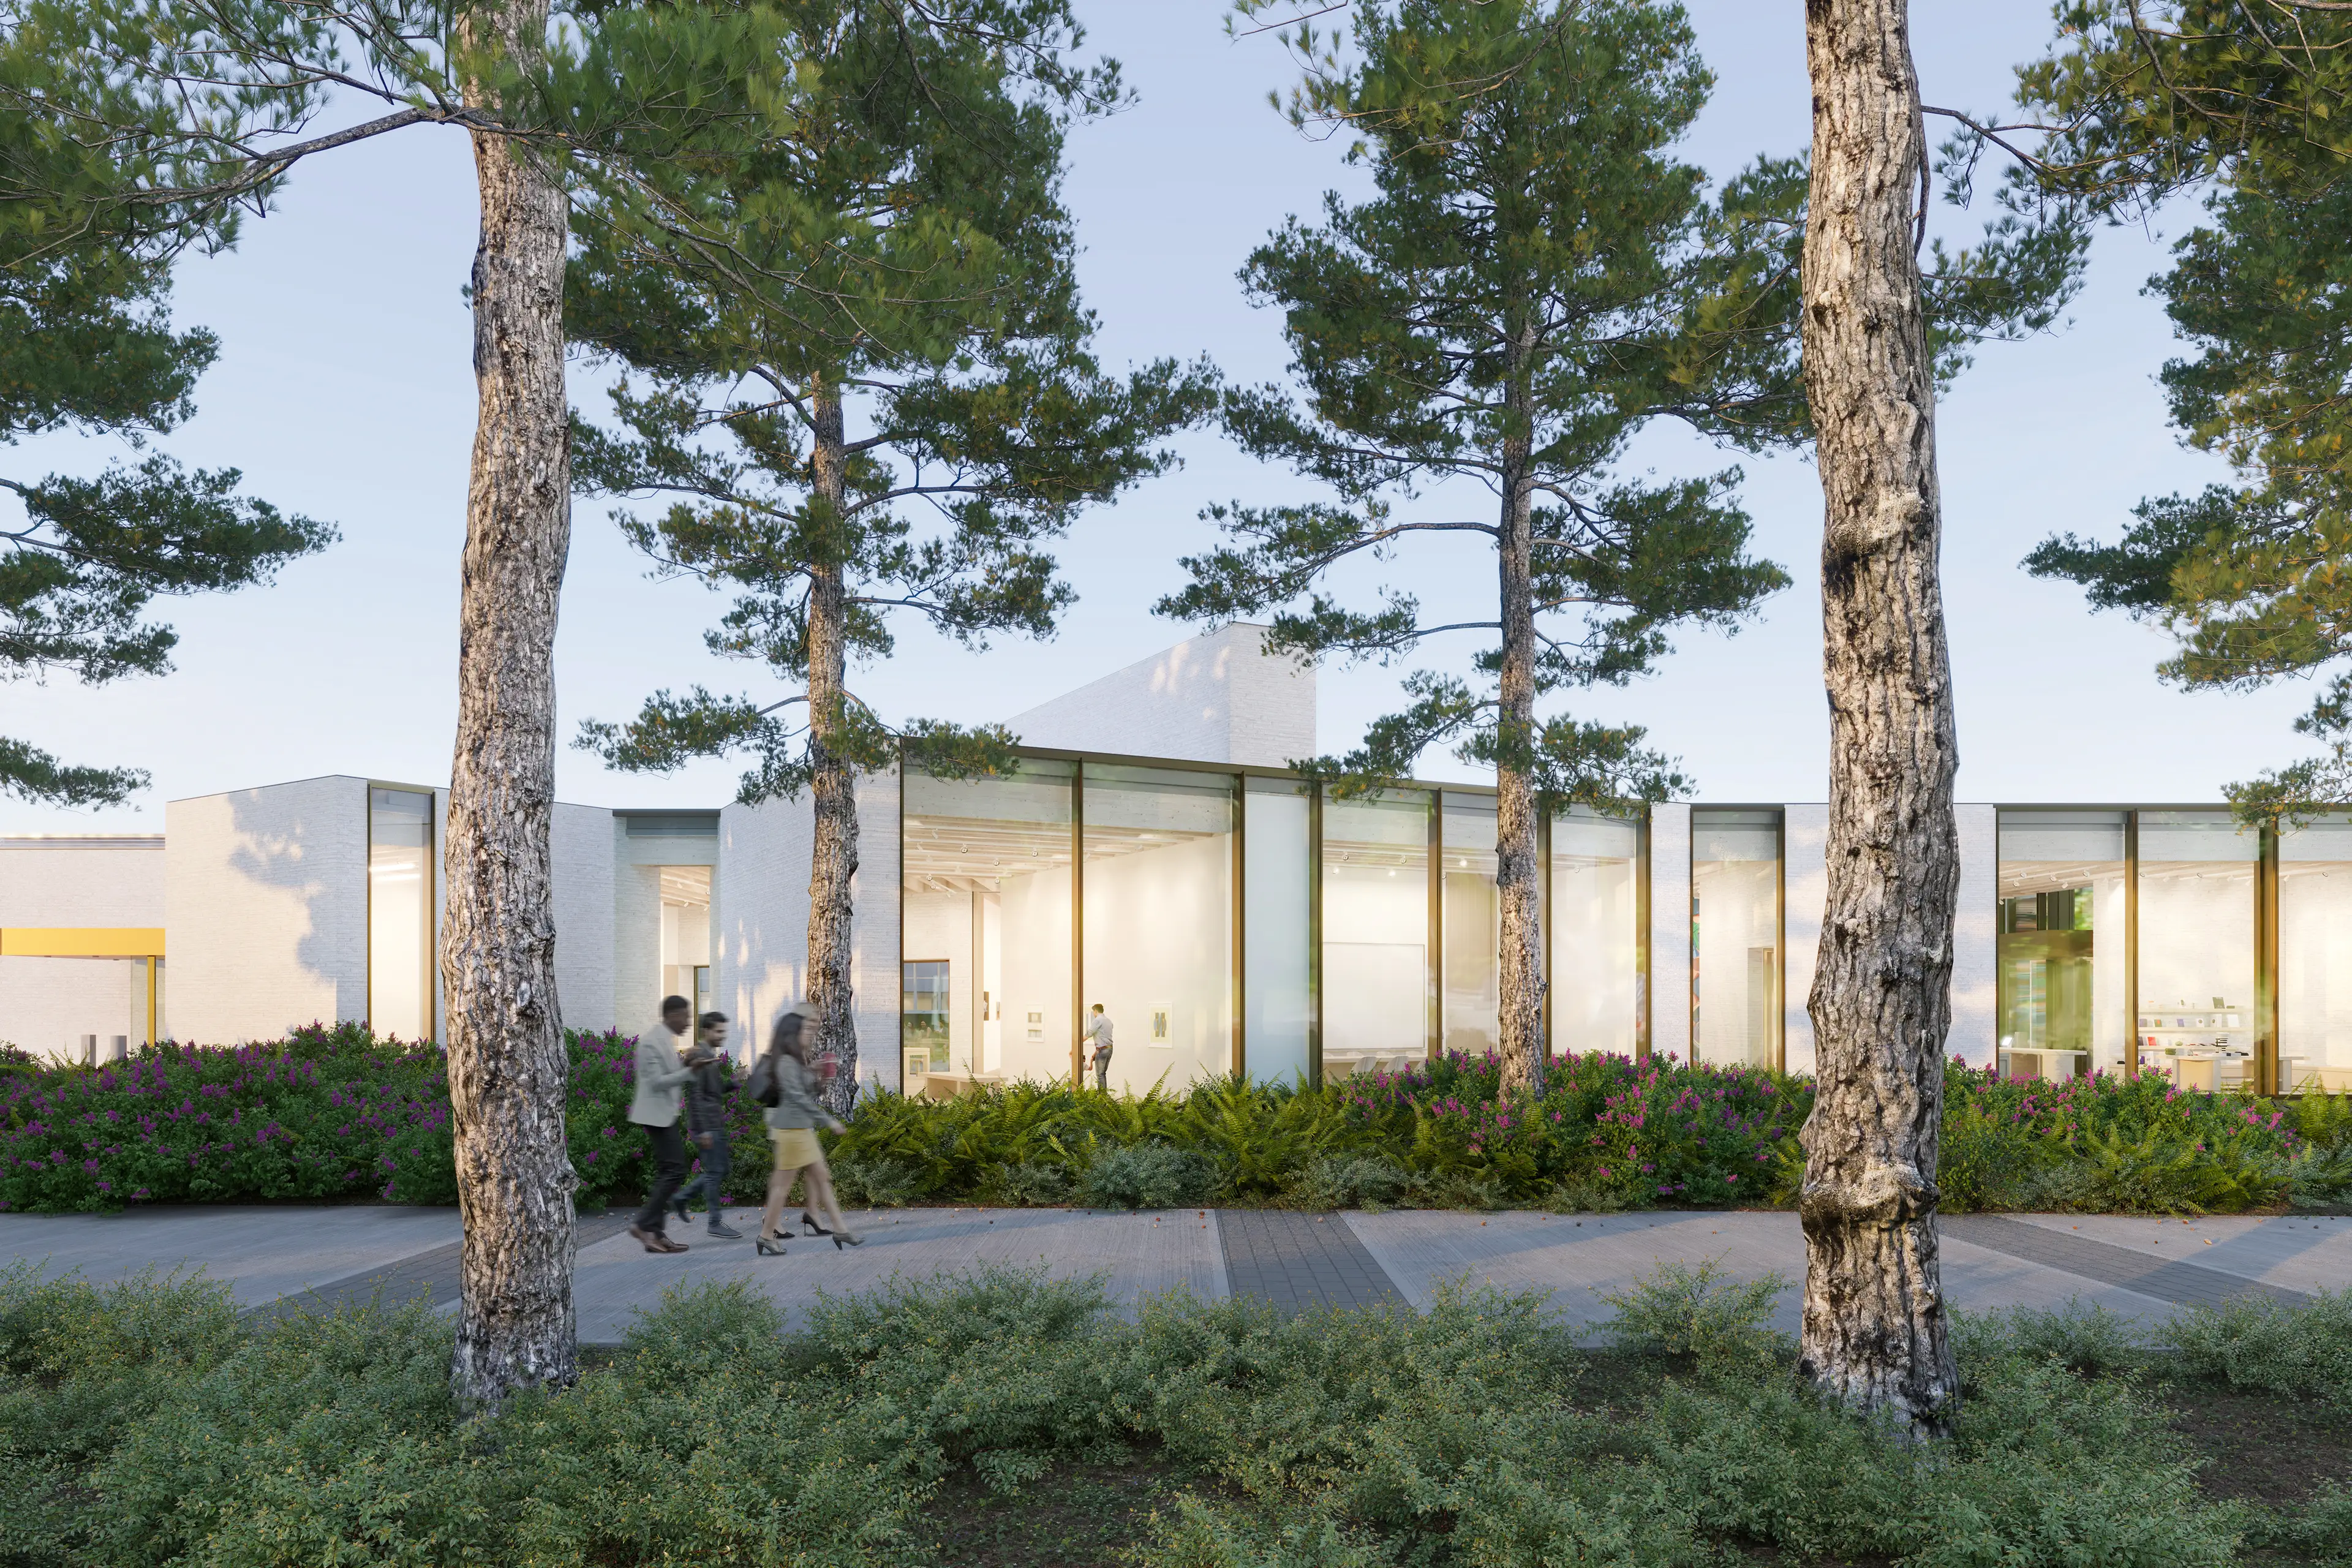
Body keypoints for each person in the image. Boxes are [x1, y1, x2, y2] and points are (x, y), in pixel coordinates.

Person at [755, 1006, 860, 1255]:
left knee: (821, 1178)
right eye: (805, 1028)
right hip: (792, 1130)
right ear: (792, 1033)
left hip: (799, 1129)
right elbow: (798, 1100)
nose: (810, 1032)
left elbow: (809, 1094)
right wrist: (829, 1121)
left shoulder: (796, 1060)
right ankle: (766, 1235)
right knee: (783, 1188)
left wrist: (821, 1078)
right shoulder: (786, 1063)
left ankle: (841, 1230)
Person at [629, 995, 700, 1253]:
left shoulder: (664, 1040)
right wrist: (690, 1072)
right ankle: (644, 1224)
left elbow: (668, 1074)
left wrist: (687, 1063)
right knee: (675, 1170)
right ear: (672, 1015)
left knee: (668, 1171)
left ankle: (655, 1233)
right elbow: (657, 1082)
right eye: (685, 1016)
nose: (688, 1022)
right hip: (655, 1116)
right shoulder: (651, 1042)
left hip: (664, 1114)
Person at [671, 1011, 739, 1239]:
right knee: (715, 1172)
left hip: (713, 1123)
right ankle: (714, 1222)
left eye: (724, 1031)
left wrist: (735, 1082)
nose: (722, 1036)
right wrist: (703, 1130)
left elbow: (714, 1091)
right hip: (707, 1126)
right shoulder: (700, 1056)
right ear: (707, 1031)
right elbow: (697, 1096)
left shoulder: (707, 1055)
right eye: (719, 1031)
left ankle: (682, 1199)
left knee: (719, 1170)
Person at [1084, 1003, 1114, 1091]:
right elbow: (1103, 1038)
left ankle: (1102, 1098)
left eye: (1094, 1012)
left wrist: (1076, 1042)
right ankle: (1103, 1098)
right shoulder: (1109, 1021)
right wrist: (1095, 1052)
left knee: (1100, 1075)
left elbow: (1089, 1034)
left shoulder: (1098, 1020)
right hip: (1109, 1049)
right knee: (1103, 1074)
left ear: (1096, 1011)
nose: (1093, 1014)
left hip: (1102, 1050)